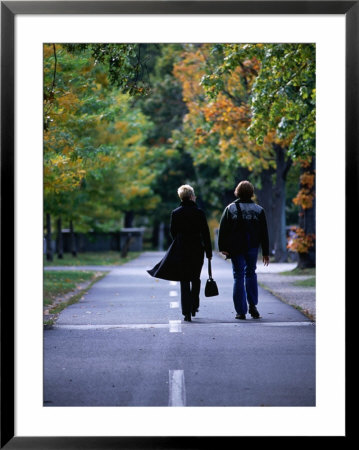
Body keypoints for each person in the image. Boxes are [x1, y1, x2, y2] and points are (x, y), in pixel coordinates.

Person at [147, 184, 212, 322]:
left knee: (184, 280)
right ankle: (194, 305)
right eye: (194, 195)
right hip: (197, 250)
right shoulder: (199, 213)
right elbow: (205, 233)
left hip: (182, 249)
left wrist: (180, 241)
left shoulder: (176, 213)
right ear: (191, 196)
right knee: (195, 278)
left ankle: (186, 311)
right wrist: (209, 252)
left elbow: (173, 232)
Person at [218, 180, 269, 320]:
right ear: (252, 193)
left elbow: (223, 230)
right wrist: (265, 252)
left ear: (237, 192)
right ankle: (253, 305)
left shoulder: (230, 208)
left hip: (236, 248)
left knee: (238, 276)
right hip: (252, 247)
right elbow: (264, 232)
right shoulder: (259, 210)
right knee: (251, 273)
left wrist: (223, 247)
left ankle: (241, 311)